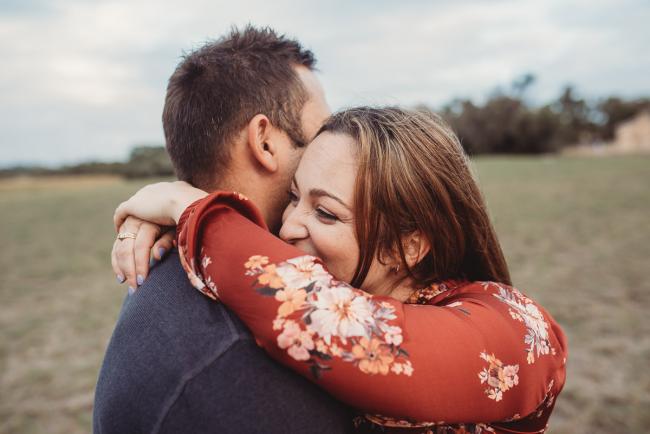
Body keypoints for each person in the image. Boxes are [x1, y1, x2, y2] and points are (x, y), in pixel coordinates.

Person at [113, 107, 568, 433]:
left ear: (409, 247)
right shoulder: (336, 279)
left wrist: (193, 210)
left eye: (326, 214)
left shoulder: (518, 329)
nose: (288, 226)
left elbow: (335, 324)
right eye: (293, 196)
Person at [94, 26, 354, 434]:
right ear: (264, 142)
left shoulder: (187, 271)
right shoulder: (238, 358)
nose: (335, 147)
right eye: (322, 134)